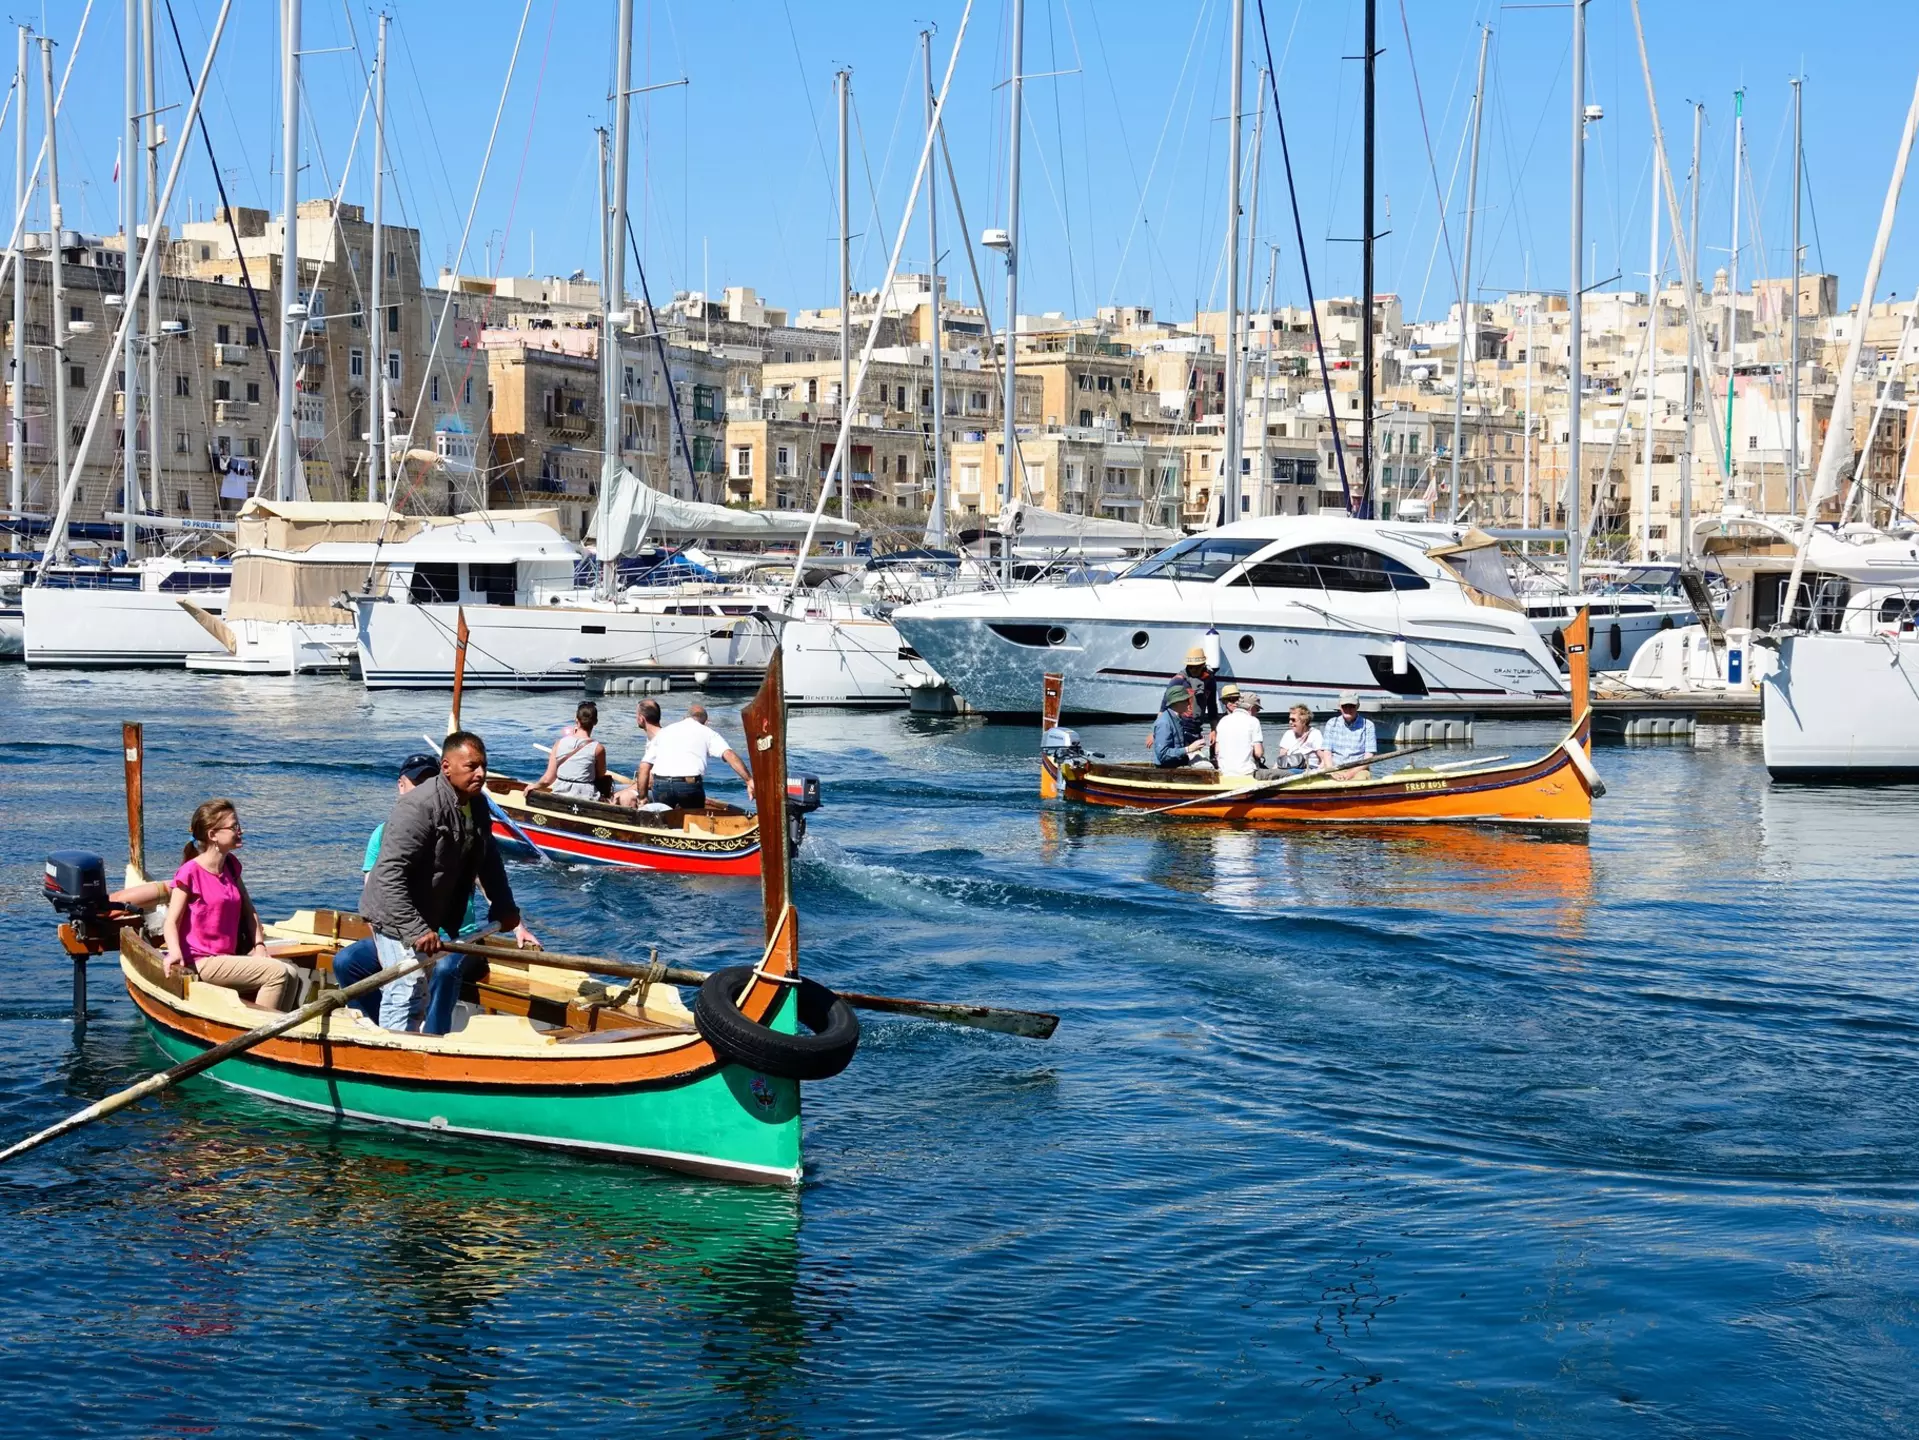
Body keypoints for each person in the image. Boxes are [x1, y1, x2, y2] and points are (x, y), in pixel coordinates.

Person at [360, 732, 540, 1035]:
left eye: (483, 766)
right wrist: (415, 929)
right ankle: (394, 1054)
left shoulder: (477, 804)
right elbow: (389, 875)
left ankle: (411, 1050)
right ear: (447, 767)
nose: (480, 774)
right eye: (471, 766)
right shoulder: (419, 807)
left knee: (419, 990)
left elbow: (489, 860)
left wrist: (504, 905)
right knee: (406, 989)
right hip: (391, 914)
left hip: (428, 914)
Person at [162, 799, 304, 1011]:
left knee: (292, 974)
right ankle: (258, 1033)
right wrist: (174, 952)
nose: (241, 831)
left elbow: (249, 911)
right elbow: (171, 921)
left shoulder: (231, 866)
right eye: (234, 827)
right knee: (277, 973)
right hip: (200, 960)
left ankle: (277, 1032)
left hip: (226, 958)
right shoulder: (190, 872)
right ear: (213, 835)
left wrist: (259, 946)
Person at [332, 752, 444, 1021]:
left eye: (431, 782)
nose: (424, 790)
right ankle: (378, 1026)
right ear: (401, 785)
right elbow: (376, 896)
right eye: (417, 783)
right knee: (348, 963)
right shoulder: (384, 833)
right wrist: (388, 951)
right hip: (400, 931)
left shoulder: (447, 828)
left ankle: (435, 1034)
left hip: (445, 936)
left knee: (443, 969)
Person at [637, 703, 755, 810]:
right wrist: (749, 780)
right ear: (705, 722)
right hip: (688, 786)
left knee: (664, 821)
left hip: (661, 785)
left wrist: (642, 798)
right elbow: (729, 754)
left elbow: (644, 767)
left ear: (685, 717)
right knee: (694, 821)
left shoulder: (665, 731)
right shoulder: (707, 732)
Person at [536, 701, 608, 800]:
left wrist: (533, 786)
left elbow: (547, 780)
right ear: (595, 722)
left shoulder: (559, 744)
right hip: (586, 797)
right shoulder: (598, 748)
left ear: (576, 720)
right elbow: (601, 774)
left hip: (560, 794)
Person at [612, 698, 665, 807]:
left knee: (622, 797)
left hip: (658, 791)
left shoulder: (660, 740)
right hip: (647, 786)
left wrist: (626, 791)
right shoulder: (654, 738)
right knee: (609, 789)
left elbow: (651, 781)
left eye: (636, 715)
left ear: (641, 719)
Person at [1150, 685, 1212, 769]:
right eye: (1186, 700)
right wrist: (1189, 749)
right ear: (1176, 702)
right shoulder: (1164, 723)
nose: (1189, 703)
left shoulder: (1177, 717)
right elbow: (1163, 755)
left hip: (1177, 764)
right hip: (1166, 769)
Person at [1213, 684, 1267, 778]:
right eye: (1257, 709)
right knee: (1286, 774)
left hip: (1225, 772)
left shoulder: (1222, 721)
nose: (1257, 713)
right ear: (1251, 708)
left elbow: (1217, 751)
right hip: (1247, 773)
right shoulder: (1253, 721)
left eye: (1236, 699)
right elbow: (1258, 753)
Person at [1325, 690, 1379, 779]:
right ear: (1339, 706)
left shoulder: (1368, 725)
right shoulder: (1331, 723)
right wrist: (1332, 772)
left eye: (1351, 706)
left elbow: (1369, 756)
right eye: (1344, 706)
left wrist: (1350, 773)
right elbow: (1327, 752)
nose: (1348, 709)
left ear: (1357, 706)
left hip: (1359, 769)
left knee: (1360, 779)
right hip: (1334, 768)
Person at [1173, 644, 1220, 734]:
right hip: (1179, 727)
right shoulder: (1179, 680)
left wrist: (1214, 730)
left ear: (1203, 665)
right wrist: (1155, 731)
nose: (1193, 670)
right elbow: (1165, 706)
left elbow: (1212, 706)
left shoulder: (1210, 680)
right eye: (1190, 666)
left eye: (1197, 667)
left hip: (1197, 727)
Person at [1275, 704, 1334, 772]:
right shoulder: (1288, 734)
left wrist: (1317, 772)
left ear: (1304, 721)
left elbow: (1323, 759)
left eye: (1293, 720)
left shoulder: (1315, 734)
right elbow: (1281, 758)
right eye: (1290, 719)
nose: (1290, 722)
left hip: (1307, 769)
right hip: (1288, 767)